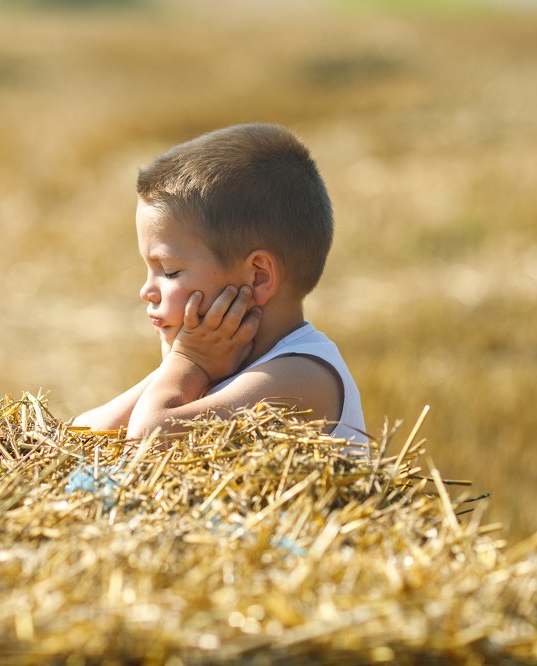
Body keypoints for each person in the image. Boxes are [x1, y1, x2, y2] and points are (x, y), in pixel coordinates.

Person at [72, 123, 367, 443]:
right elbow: (76, 441)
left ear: (258, 276)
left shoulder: (301, 375)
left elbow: (148, 439)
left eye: (169, 271)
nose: (146, 291)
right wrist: (181, 364)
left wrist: (188, 363)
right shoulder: (214, 363)